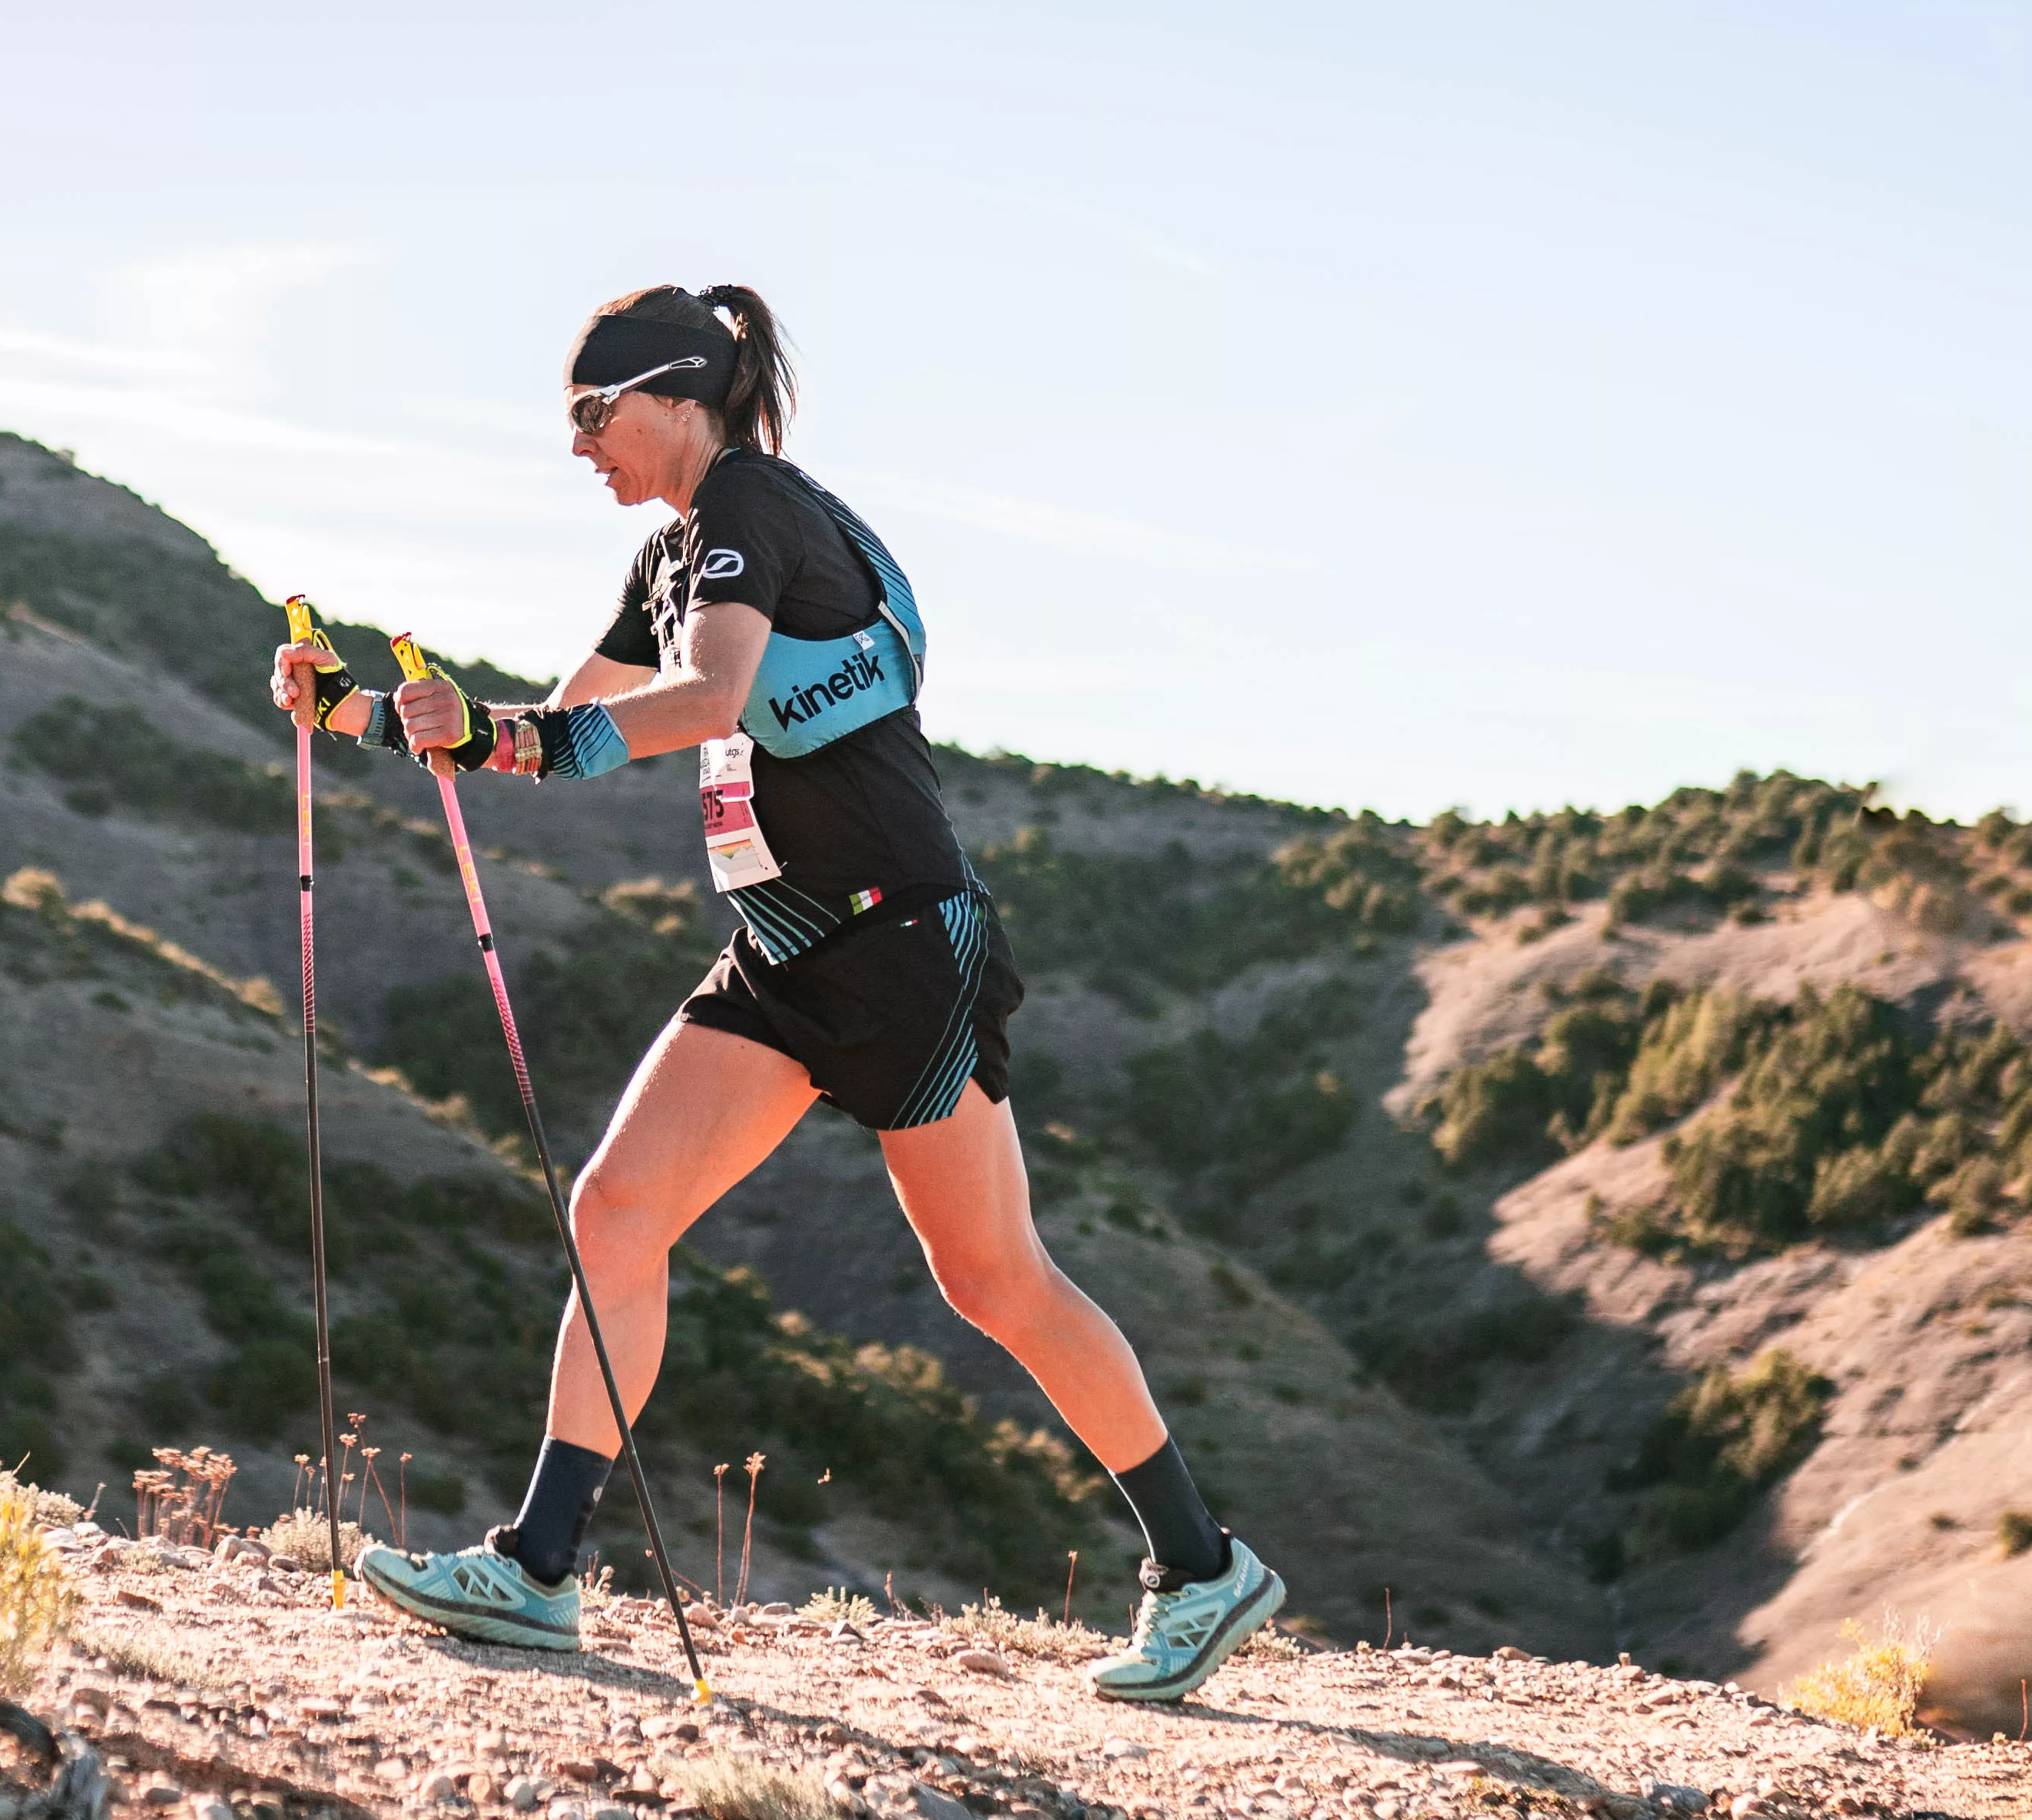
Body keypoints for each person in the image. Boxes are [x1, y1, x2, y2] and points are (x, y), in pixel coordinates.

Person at [271, 283, 1286, 1704]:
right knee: (615, 1212)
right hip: (784, 947)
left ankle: (1202, 1566)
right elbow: (548, 726)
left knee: (995, 1280)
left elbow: (702, 700)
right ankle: (539, 1568)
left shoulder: (756, 505)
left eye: (592, 414)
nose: (579, 450)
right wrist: (371, 715)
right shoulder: (674, 551)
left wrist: (529, 737)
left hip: (894, 943)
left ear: (678, 396)